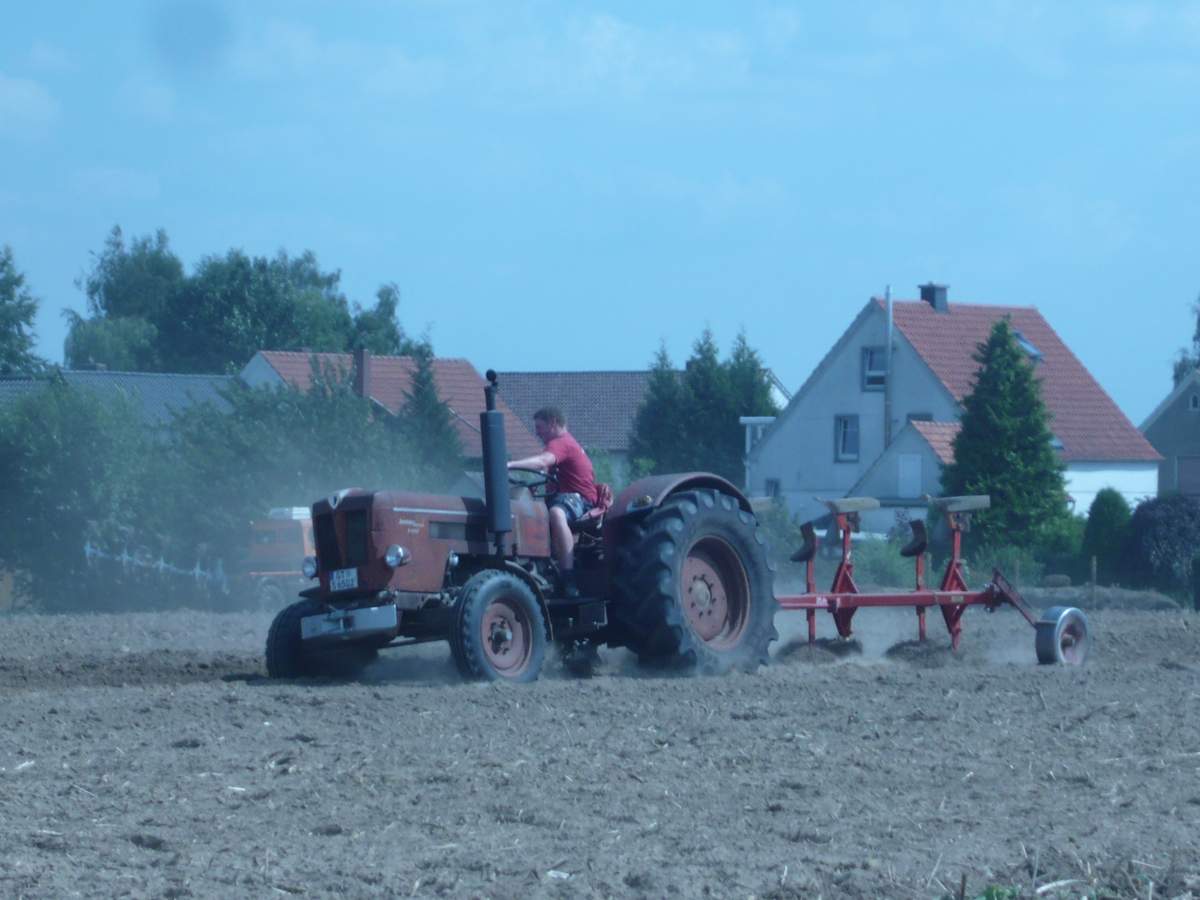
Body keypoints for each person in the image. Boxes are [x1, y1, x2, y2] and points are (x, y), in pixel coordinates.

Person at [506, 406, 597, 598]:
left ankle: (568, 575)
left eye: (540, 427)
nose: (537, 433)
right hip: (563, 497)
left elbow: (541, 462)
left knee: (556, 512)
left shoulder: (561, 443)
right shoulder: (563, 444)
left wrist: (509, 465)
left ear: (553, 423)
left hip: (579, 500)